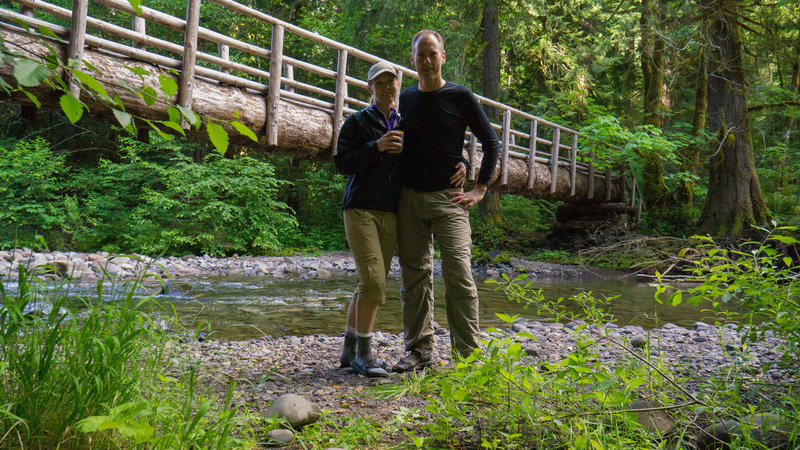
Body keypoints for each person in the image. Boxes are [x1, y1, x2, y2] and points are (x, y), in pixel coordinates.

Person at [334, 61, 466, 377]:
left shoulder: (406, 121)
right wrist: (376, 147)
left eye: (391, 82)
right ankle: (364, 355)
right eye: (379, 82)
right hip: (361, 208)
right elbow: (341, 163)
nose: (386, 87)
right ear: (370, 87)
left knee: (367, 282)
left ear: (398, 85)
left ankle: (349, 348)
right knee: (375, 283)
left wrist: (461, 161)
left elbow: (434, 148)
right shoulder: (358, 122)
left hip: (393, 211)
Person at [392, 29, 501, 373]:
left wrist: (480, 187)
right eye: (420, 55)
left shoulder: (460, 96)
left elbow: (491, 141)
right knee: (415, 277)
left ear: (442, 57)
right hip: (409, 198)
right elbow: (398, 143)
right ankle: (420, 349)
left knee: (459, 273)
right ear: (412, 60)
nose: (426, 61)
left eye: (432, 54)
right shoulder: (404, 99)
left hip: (449, 199)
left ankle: (467, 356)